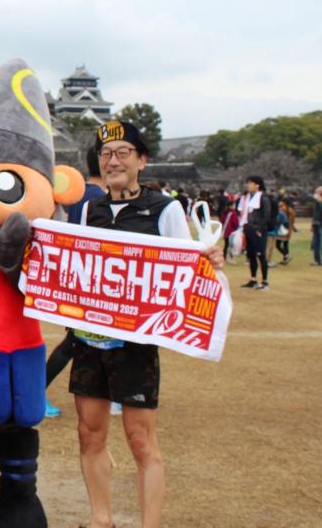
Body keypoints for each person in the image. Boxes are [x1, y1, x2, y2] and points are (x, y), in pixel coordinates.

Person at [70, 120, 224, 528]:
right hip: (90, 338)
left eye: (123, 152)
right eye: (106, 154)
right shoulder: (90, 208)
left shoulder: (165, 208)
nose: (113, 160)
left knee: (140, 439)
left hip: (136, 344)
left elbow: (189, 265)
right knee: (89, 432)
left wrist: (209, 263)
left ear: (142, 160)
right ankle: (101, 519)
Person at [46, 145, 107, 418]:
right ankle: (37, 390)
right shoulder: (99, 199)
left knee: (89, 341)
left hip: (79, 279)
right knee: (74, 341)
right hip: (92, 282)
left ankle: (110, 391)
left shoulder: (78, 194)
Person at [238, 176, 271, 290]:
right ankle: (253, 279)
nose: (248, 185)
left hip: (258, 230)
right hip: (248, 228)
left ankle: (265, 281)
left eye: (250, 183)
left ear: (257, 185)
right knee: (251, 255)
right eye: (247, 183)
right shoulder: (246, 197)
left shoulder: (263, 197)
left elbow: (267, 215)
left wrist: (259, 228)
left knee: (261, 255)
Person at [312, 186, 322, 266]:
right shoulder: (316, 202)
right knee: (316, 242)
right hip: (316, 224)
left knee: (318, 242)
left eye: (317, 192)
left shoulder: (319, 202)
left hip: (319, 224)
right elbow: (315, 214)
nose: (315, 194)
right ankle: (316, 259)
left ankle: (319, 260)